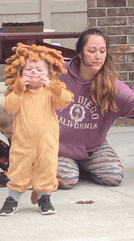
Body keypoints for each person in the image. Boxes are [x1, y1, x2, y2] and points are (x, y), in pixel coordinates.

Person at [0, 43, 74, 216]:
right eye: (29, 70)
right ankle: (12, 198)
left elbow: (65, 100)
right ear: (20, 73)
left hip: (47, 143)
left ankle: (44, 198)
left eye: (40, 70)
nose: (34, 73)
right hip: (23, 143)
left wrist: (53, 87)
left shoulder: (50, 93)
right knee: (19, 169)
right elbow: (9, 106)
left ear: (49, 74)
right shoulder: (19, 93)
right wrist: (18, 90)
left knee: (46, 169)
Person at [56, 28, 134, 189]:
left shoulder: (112, 86)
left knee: (114, 176)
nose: (98, 56)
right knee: (66, 179)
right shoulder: (59, 73)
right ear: (79, 52)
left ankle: (82, 166)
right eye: (92, 51)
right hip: (59, 146)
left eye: (102, 51)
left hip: (92, 148)